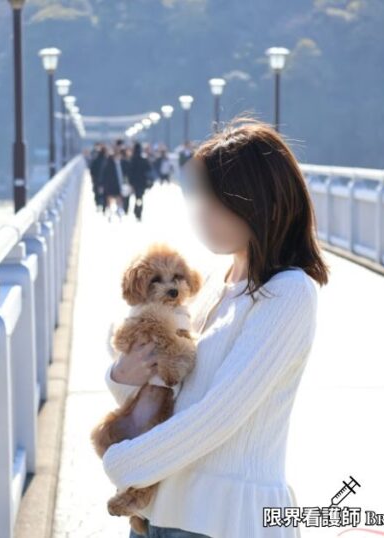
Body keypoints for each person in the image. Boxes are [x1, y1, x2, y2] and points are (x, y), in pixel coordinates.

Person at [102, 116, 329, 538]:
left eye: (215, 199)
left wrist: (123, 462)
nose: (200, 211)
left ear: (257, 203)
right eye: (200, 196)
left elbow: (217, 416)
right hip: (161, 514)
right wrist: (121, 377)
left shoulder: (288, 292)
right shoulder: (212, 286)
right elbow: (174, 394)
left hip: (223, 523)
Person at [99, 145, 127, 222]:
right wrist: (102, 185)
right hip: (111, 186)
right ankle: (111, 215)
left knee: (118, 201)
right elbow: (104, 175)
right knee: (111, 201)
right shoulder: (109, 163)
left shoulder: (121, 162)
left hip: (117, 185)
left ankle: (118, 215)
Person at [126, 142, 151, 222]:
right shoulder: (143, 159)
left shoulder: (132, 160)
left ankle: (135, 209)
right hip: (142, 183)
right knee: (140, 197)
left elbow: (129, 172)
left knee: (134, 196)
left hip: (134, 183)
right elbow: (148, 169)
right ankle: (138, 210)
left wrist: (130, 182)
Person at [89, 143, 109, 212]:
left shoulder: (96, 160)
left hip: (97, 180)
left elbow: (92, 171)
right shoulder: (107, 160)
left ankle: (97, 205)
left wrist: (93, 179)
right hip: (105, 181)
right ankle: (104, 207)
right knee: (105, 193)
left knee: (97, 193)